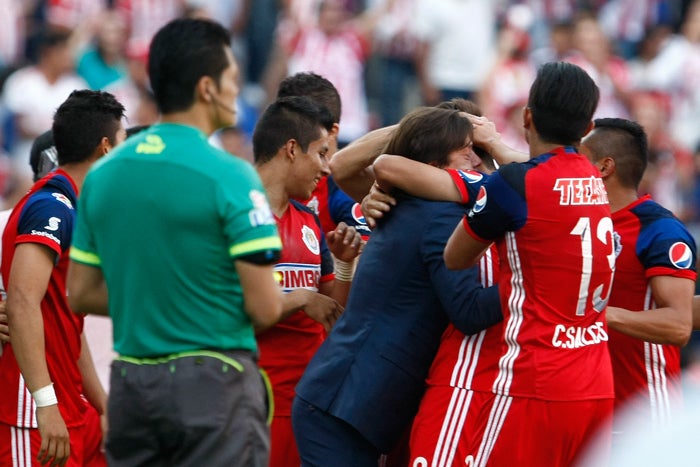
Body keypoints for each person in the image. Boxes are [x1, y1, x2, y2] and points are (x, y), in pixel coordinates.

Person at [373, 62, 615, 465]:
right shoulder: (596, 178)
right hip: (595, 381)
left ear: (527, 117)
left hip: (536, 380)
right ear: (588, 127)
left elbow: (456, 257)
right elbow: (546, 169)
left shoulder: (512, 186)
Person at [66, 18, 283, 466]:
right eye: (232, 80)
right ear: (207, 87)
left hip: (130, 387)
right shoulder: (232, 174)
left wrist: (156, 301)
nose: (236, 92)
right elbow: (265, 307)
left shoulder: (103, 176)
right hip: (214, 385)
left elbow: (81, 293)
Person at [292, 106, 503, 466]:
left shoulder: (410, 204)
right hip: (344, 405)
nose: (477, 158)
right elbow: (468, 310)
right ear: (433, 163)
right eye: (466, 148)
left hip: (352, 402)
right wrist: (533, 283)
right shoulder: (439, 217)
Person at [0, 89, 125, 467]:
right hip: (32, 413)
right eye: (123, 142)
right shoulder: (50, 206)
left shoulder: (75, 209)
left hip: (71, 405)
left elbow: (69, 321)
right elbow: (22, 301)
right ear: (105, 148)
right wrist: (45, 405)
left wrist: (103, 406)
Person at [253, 95, 362, 467]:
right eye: (321, 154)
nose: (327, 169)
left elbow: (332, 309)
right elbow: (224, 315)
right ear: (291, 149)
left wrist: (345, 265)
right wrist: (299, 298)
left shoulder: (309, 220)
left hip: (308, 403)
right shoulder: (232, 214)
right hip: (251, 404)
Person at [581, 118, 696, 433]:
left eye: (579, 159)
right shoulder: (578, 221)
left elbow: (678, 324)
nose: (569, 168)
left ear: (604, 168)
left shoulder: (659, 230)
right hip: (583, 411)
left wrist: (601, 316)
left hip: (641, 418)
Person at [276, 71, 370, 238]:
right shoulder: (264, 183)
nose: (290, 142)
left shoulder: (345, 189)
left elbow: (363, 257)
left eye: (301, 132)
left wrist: (342, 261)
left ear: (331, 132)